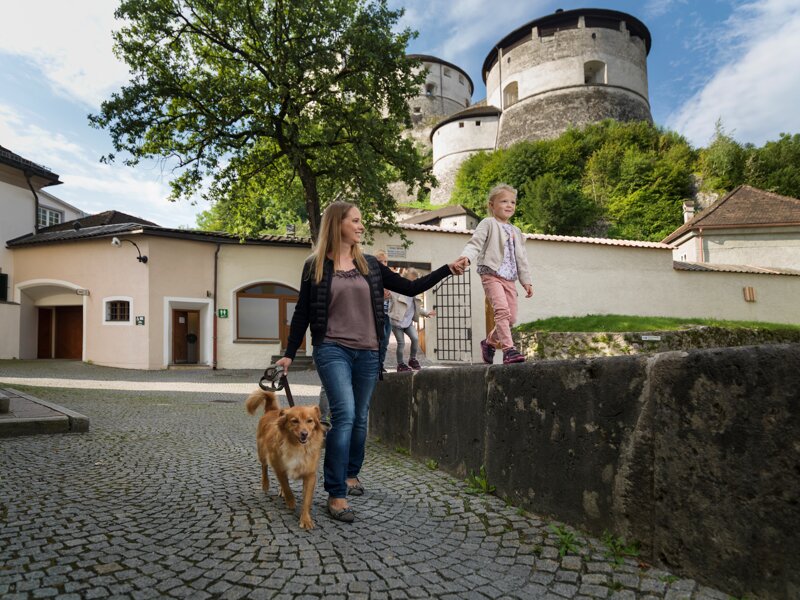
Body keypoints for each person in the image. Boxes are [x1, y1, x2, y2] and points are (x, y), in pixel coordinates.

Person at [276, 201, 464, 523]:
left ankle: (351, 473)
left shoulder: (370, 266)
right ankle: (336, 494)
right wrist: (289, 353)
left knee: (361, 417)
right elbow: (303, 312)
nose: (362, 226)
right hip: (332, 348)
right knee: (345, 414)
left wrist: (447, 268)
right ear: (338, 225)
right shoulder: (315, 265)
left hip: (368, 351)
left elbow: (411, 286)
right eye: (356, 221)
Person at [457, 183, 533, 364]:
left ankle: (489, 341)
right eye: (504, 201)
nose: (509, 205)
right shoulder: (488, 224)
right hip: (491, 274)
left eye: (513, 202)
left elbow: (522, 259)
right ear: (492, 205)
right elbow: (475, 243)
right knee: (502, 311)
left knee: (511, 318)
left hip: (509, 278)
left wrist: (526, 281)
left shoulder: (516, 231)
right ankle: (509, 350)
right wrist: (466, 258)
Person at [388, 268, 436, 372]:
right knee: (401, 343)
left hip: (408, 323)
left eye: (414, 282)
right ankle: (400, 364)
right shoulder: (396, 291)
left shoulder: (414, 293)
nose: (412, 285)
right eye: (411, 282)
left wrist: (427, 313)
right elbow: (388, 295)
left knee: (415, 339)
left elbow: (417, 308)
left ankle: (412, 359)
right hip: (397, 322)